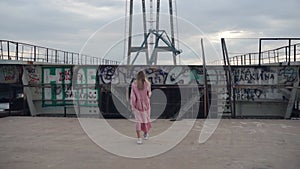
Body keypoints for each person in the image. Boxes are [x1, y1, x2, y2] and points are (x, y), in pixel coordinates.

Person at [130, 71, 152, 144]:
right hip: (146, 105)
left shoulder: (134, 85)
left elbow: (132, 97)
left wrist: (133, 106)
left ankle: (139, 138)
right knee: (146, 119)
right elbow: (149, 94)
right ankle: (145, 134)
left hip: (137, 106)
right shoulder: (147, 84)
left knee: (138, 122)